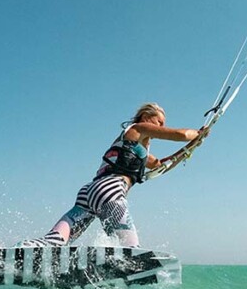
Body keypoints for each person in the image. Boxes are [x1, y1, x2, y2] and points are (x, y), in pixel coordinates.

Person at [17, 102, 208, 248]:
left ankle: (22, 251)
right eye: (159, 122)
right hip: (111, 191)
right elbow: (180, 134)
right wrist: (197, 133)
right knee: (131, 251)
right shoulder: (137, 129)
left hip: (88, 193)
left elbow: (160, 165)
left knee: (53, 243)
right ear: (146, 117)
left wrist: (192, 148)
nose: (161, 126)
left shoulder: (137, 149)